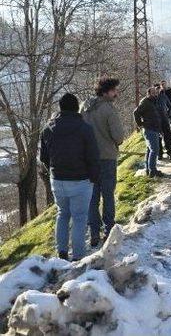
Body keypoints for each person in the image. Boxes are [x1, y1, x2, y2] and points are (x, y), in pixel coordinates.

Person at [41, 93, 99, 261]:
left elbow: (43, 157)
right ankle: (78, 256)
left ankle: (62, 253)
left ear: (60, 108)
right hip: (81, 180)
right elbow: (93, 156)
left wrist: (53, 170)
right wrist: (94, 177)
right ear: (76, 108)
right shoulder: (85, 129)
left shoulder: (48, 128)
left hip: (57, 179)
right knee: (80, 218)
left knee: (62, 214)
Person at [81, 77, 125, 247]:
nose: (116, 93)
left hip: (88, 159)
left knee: (92, 197)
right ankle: (109, 229)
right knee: (108, 195)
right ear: (106, 91)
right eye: (114, 90)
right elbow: (119, 137)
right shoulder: (108, 109)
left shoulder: (84, 107)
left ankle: (93, 231)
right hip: (107, 157)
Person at [133, 87, 164, 178]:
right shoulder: (145, 102)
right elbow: (136, 113)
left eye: (155, 92)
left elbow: (156, 116)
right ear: (148, 93)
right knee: (155, 150)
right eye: (153, 93)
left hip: (154, 129)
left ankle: (148, 169)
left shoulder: (154, 102)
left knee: (150, 150)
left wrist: (160, 130)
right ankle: (152, 170)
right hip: (149, 129)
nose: (155, 94)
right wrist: (140, 124)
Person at [155, 82, 171, 161]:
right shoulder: (152, 98)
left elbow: (170, 106)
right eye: (156, 89)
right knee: (158, 139)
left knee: (167, 137)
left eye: (158, 88)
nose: (157, 90)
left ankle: (170, 153)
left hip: (165, 120)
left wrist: (168, 115)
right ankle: (160, 154)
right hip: (156, 121)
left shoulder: (164, 96)